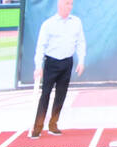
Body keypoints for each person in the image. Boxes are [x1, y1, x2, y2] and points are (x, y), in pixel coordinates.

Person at [31, 0, 86, 138]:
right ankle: (37, 127)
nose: (70, 6)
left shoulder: (76, 22)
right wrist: (38, 67)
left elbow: (81, 42)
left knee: (61, 95)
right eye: (67, 3)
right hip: (51, 63)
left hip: (67, 62)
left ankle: (53, 124)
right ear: (60, 5)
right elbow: (40, 47)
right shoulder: (48, 24)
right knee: (45, 95)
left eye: (71, 4)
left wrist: (82, 60)